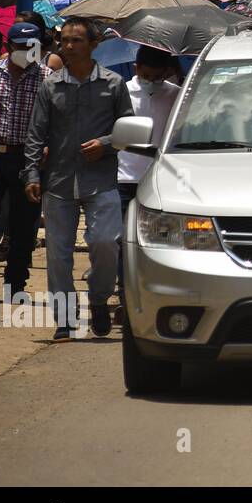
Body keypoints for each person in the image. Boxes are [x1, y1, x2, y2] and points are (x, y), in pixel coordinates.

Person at [24, 17, 133, 341]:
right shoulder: (50, 85)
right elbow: (36, 133)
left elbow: (127, 128)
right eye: (64, 41)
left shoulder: (114, 84)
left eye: (76, 41)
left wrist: (106, 143)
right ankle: (65, 320)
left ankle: (99, 299)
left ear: (93, 44)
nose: (68, 47)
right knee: (58, 254)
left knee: (104, 243)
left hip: (101, 179)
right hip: (58, 182)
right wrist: (31, 171)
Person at [0, 23, 49, 303]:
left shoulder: (48, 79)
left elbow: (57, 121)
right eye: (20, 47)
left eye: (31, 47)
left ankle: (15, 284)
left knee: (23, 225)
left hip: (29, 159)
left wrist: (50, 145)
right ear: (8, 47)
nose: (25, 52)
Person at [116, 46, 181, 313]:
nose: (152, 82)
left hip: (159, 179)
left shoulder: (176, 95)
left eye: (158, 77)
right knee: (121, 241)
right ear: (136, 68)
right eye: (147, 76)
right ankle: (124, 299)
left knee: (160, 241)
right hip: (124, 176)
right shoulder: (121, 93)